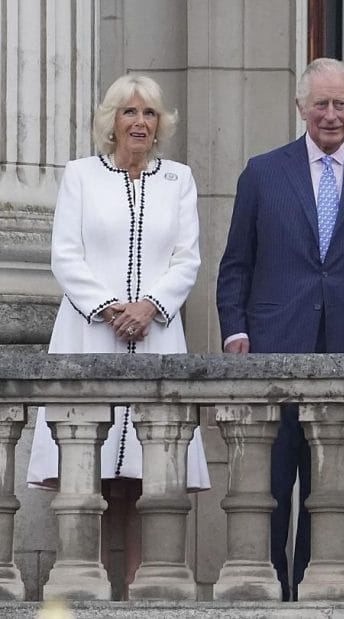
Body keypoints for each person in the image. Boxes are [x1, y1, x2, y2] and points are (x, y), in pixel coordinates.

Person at [216, 58, 344, 601]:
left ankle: (323, 595)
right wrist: (234, 332)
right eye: (320, 103)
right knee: (270, 491)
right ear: (301, 108)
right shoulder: (263, 172)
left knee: (333, 492)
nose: (330, 114)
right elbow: (236, 265)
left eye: (340, 103)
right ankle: (272, 595)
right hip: (274, 354)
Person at [26, 73, 211, 599]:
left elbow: (187, 258)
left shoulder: (179, 178)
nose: (140, 123)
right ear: (112, 121)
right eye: (129, 113)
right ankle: (87, 586)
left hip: (154, 334)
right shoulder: (81, 175)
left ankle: (139, 587)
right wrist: (109, 308)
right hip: (92, 335)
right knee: (91, 467)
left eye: (149, 114)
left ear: (160, 124)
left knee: (144, 471)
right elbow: (66, 254)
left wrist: (150, 306)